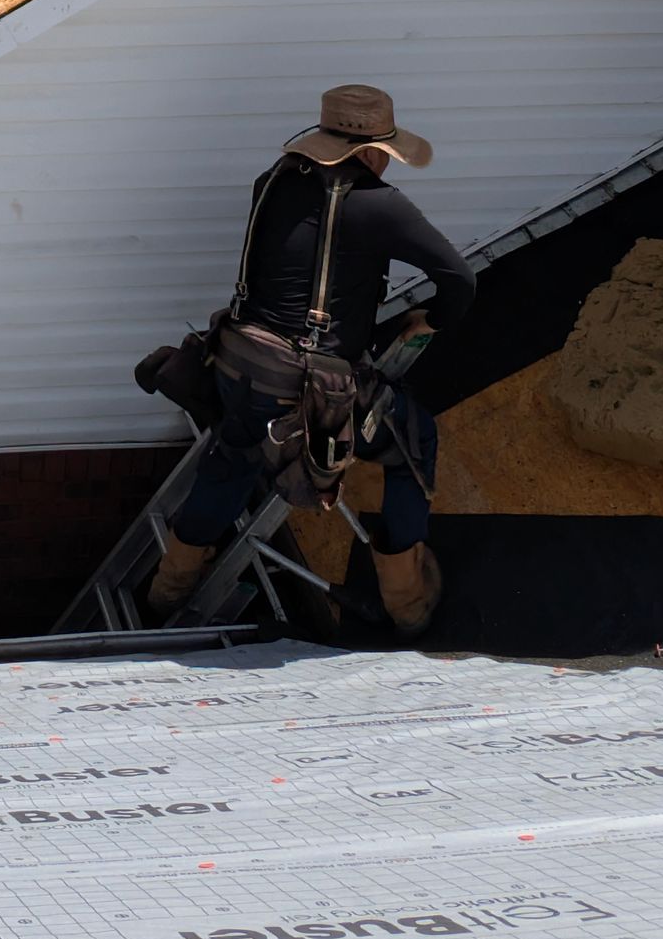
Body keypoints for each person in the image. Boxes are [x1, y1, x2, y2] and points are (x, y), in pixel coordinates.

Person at [147, 82, 475, 636]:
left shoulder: (271, 181)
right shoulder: (378, 204)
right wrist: (432, 319)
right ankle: (408, 599)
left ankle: (168, 585)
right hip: (303, 392)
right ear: (373, 151)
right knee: (412, 438)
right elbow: (460, 282)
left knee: (235, 454)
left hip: (235, 366)